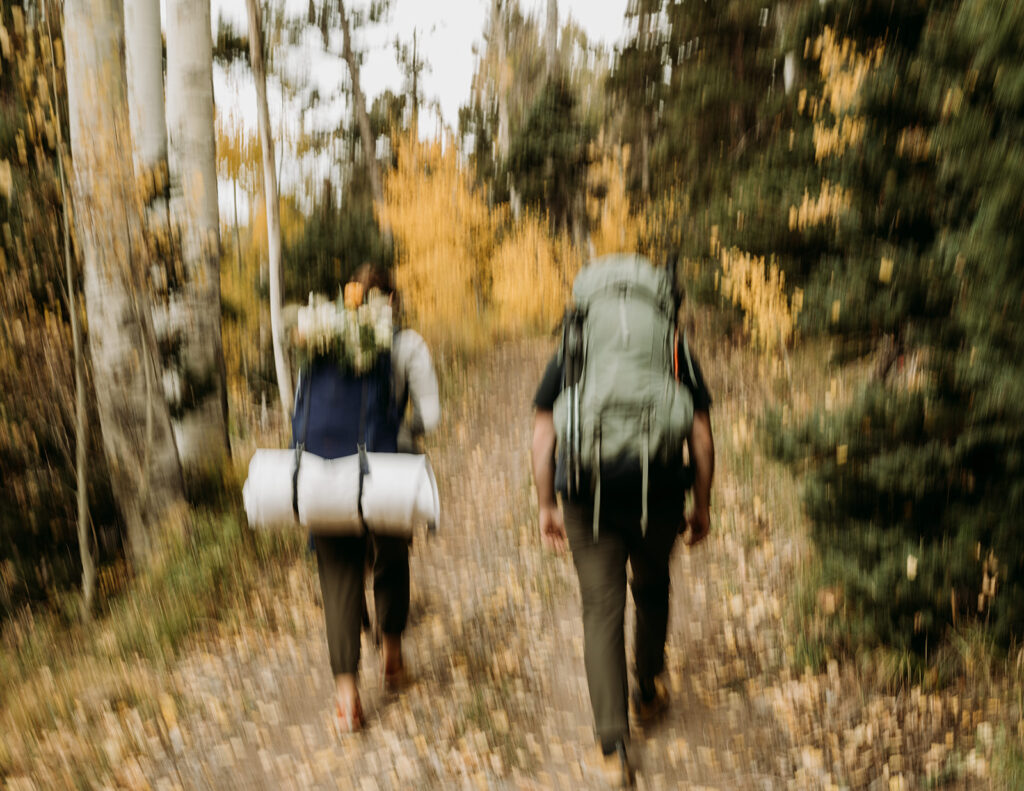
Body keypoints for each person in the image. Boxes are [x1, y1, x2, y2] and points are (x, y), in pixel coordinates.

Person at [531, 292, 714, 787]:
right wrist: (701, 503)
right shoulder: (670, 340)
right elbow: (699, 429)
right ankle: (648, 692)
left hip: (587, 494)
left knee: (601, 608)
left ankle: (612, 745)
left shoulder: (576, 337)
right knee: (652, 586)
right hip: (657, 490)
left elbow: (545, 428)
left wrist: (547, 502)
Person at [297, 263, 440, 733]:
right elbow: (431, 415)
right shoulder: (407, 343)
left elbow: (300, 409)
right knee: (393, 556)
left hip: (324, 469)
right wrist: (400, 433)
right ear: (392, 301)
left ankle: (346, 700)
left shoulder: (321, 342)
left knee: (338, 574)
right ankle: (393, 658)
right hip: (386, 469)